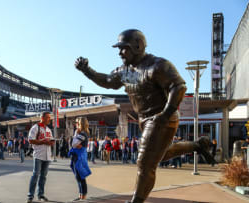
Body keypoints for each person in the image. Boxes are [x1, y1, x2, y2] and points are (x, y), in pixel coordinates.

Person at [75, 29, 216, 203]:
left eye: (123, 48)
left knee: (145, 162)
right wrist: (87, 70)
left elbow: (178, 87)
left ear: (137, 46)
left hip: (162, 118)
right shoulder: (125, 71)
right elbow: (108, 82)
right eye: (118, 49)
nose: (119, 53)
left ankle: (137, 201)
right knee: (159, 156)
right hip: (145, 120)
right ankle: (197, 145)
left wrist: (165, 114)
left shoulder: (157, 65)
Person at [27, 111, 55, 203]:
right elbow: (30, 140)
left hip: (47, 156)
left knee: (43, 176)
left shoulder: (48, 129)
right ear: (42, 118)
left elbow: (52, 141)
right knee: (35, 175)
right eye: (47, 117)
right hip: (38, 155)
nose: (49, 119)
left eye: (49, 118)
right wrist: (43, 142)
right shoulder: (35, 127)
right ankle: (30, 196)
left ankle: (41, 194)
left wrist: (51, 142)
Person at [69, 117, 92, 201]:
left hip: (79, 156)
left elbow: (73, 144)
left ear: (80, 124)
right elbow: (75, 145)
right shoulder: (81, 133)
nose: (75, 124)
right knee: (78, 177)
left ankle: (83, 196)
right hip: (77, 155)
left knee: (80, 177)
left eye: (77, 123)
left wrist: (75, 135)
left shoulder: (82, 134)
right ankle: (80, 195)